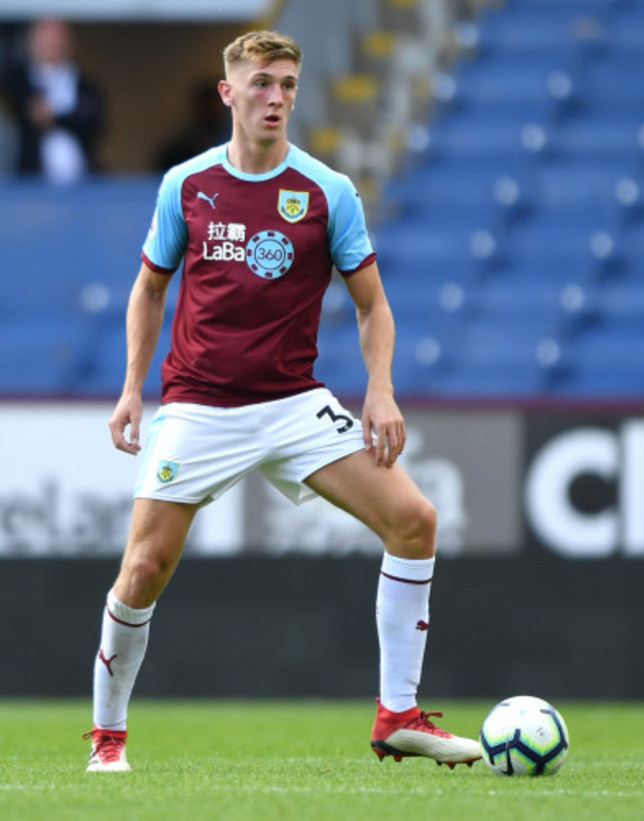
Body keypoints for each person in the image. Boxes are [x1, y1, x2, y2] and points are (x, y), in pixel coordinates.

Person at [85, 30, 482, 773]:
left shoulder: (328, 192)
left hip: (294, 403)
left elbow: (372, 305)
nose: (277, 97)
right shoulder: (187, 185)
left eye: (289, 84)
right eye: (263, 82)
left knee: (415, 518)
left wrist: (382, 391)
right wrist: (133, 388)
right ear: (228, 93)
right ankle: (109, 739)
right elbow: (149, 287)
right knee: (142, 570)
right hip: (199, 406)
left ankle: (398, 714)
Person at [1, 19, 104, 183]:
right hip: (28, 182)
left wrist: (54, 118)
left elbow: (95, 125)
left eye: (56, 42)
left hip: (80, 182)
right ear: (31, 45)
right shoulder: (17, 81)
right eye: (45, 42)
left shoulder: (85, 86)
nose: (50, 47)